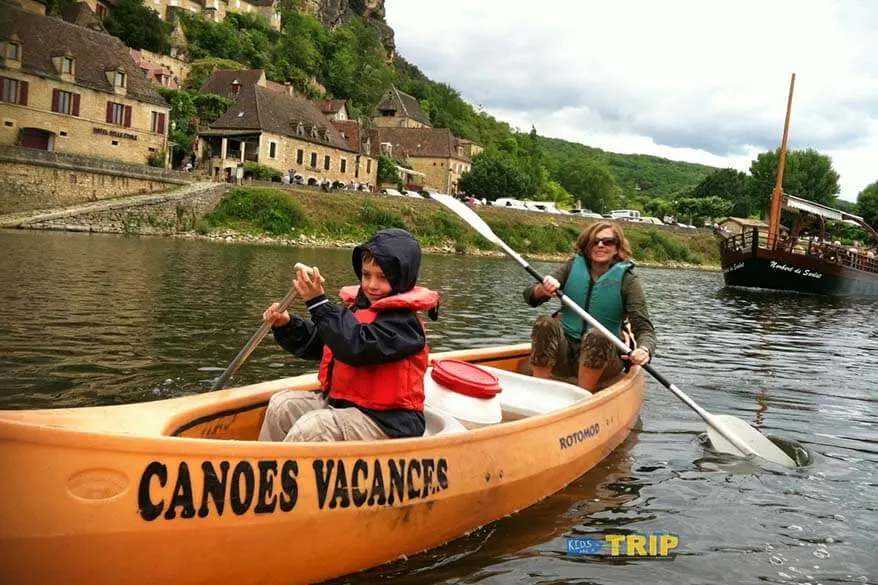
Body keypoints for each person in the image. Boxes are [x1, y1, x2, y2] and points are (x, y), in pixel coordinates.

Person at [258, 228, 439, 443]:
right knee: (282, 406)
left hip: (388, 423)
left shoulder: (405, 326)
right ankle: (265, 472)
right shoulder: (358, 309)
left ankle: (286, 475)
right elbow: (323, 343)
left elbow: (355, 346)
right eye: (366, 274)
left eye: (383, 277)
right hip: (345, 406)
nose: (372, 285)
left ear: (402, 279)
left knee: (314, 430)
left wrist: (318, 303)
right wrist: (287, 325)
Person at [522, 222, 656, 392]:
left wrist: (644, 350)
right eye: (595, 241)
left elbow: (645, 329)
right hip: (565, 353)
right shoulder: (571, 267)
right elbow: (530, 296)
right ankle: (539, 388)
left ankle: (583, 396)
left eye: (608, 242)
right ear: (587, 245)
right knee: (545, 323)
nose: (600, 245)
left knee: (598, 334)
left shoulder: (628, 281)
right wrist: (542, 289)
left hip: (604, 360)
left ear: (617, 248)